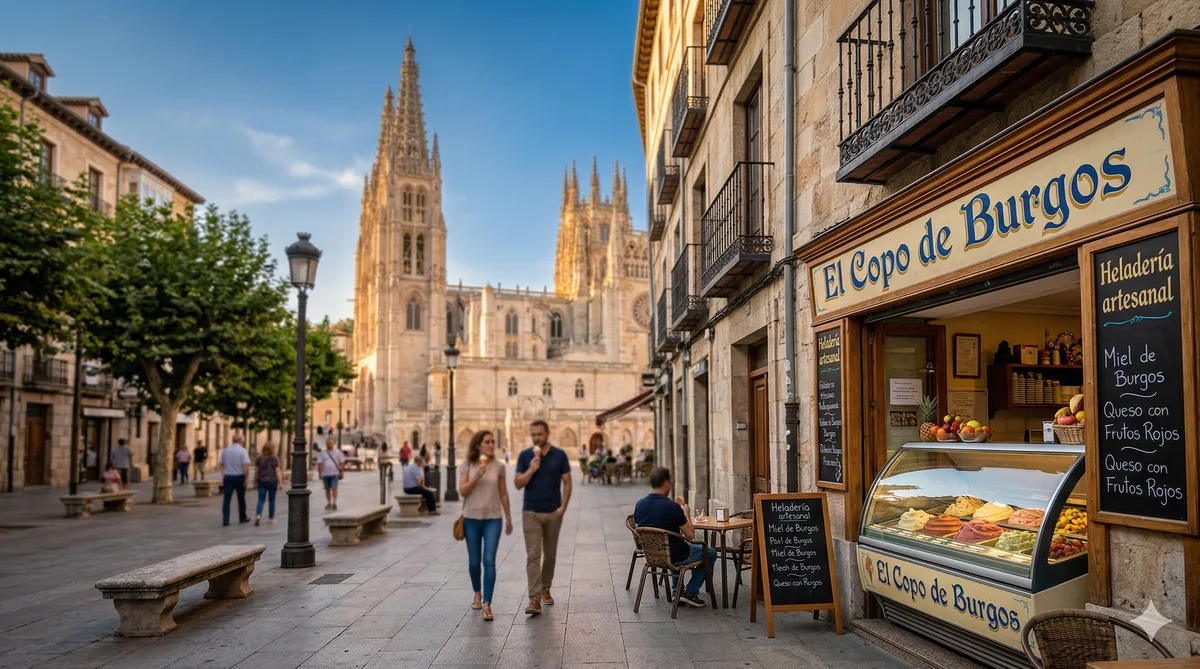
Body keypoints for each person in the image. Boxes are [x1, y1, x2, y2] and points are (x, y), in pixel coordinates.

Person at [633, 467, 716, 608]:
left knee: (672, 546)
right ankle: (690, 592)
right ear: (666, 483)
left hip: (652, 555)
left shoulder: (640, 504)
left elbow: (639, 526)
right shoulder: (672, 507)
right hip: (676, 555)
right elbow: (690, 534)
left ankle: (676, 590)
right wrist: (686, 513)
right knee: (710, 553)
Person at [514, 419, 571, 616]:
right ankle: (534, 599)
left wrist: (562, 507)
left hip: (553, 512)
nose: (536, 438)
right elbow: (517, 484)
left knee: (551, 554)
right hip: (531, 512)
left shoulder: (560, 455)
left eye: (539, 434)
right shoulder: (525, 456)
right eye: (533, 435)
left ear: (547, 434)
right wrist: (531, 468)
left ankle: (546, 588)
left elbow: (567, 482)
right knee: (533, 554)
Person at [459, 430, 513, 621]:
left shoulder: (499, 466)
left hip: (493, 519)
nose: (491, 445)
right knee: (474, 562)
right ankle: (477, 593)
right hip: (471, 519)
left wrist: (508, 517)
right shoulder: (467, 465)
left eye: (493, 441)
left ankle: (488, 604)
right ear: (478, 445)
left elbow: (503, 493)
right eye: (487, 442)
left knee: (488, 560)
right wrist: (476, 476)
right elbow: (463, 491)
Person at [220, 434, 251, 526]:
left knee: (226, 499)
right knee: (241, 498)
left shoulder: (225, 450)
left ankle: (226, 519)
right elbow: (245, 466)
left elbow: (221, 464)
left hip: (228, 476)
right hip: (239, 477)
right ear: (241, 441)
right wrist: (246, 478)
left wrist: (223, 474)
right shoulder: (243, 451)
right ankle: (242, 517)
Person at [255, 443, 281, 525]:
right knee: (271, 500)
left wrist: (255, 480)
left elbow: (256, 470)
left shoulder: (259, 459)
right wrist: (281, 482)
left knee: (261, 500)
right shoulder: (275, 459)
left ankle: (258, 515)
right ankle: (271, 518)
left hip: (262, 481)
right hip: (272, 482)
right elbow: (277, 471)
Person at [318, 438, 345, 511]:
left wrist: (341, 472)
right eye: (327, 443)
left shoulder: (338, 452)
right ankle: (329, 503)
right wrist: (320, 473)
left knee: (334, 488)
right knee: (327, 489)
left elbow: (342, 462)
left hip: (335, 473)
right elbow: (320, 464)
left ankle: (334, 503)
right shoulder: (323, 453)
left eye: (330, 443)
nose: (329, 444)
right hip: (325, 474)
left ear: (333, 444)